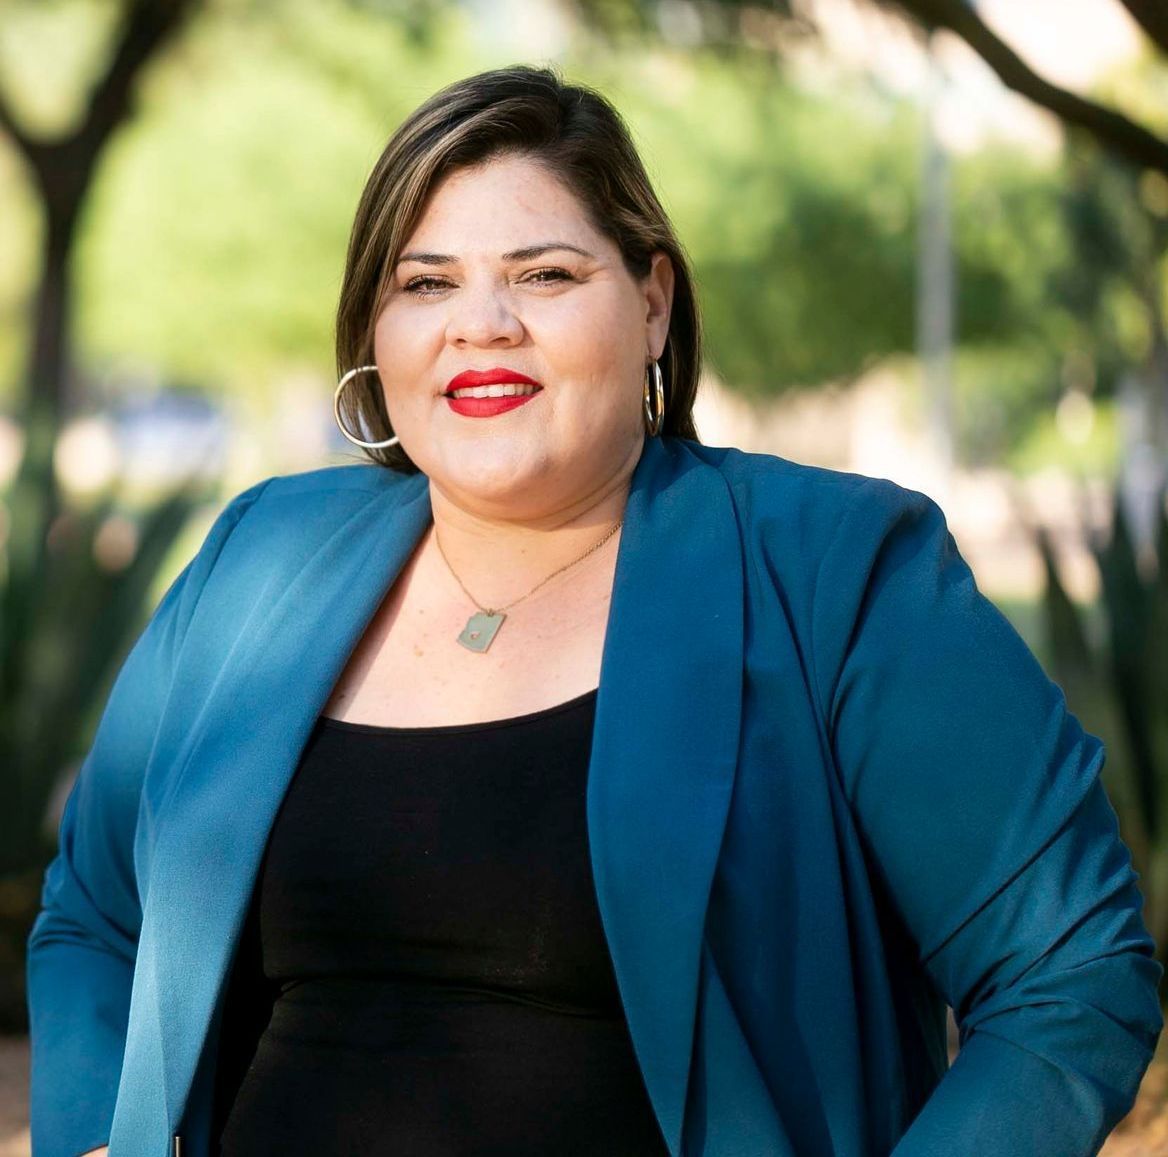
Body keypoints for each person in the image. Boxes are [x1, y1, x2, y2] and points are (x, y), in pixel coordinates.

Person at [27, 64, 1163, 1157]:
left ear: (653, 302)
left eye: (545, 275)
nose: (481, 324)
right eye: (425, 283)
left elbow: (1071, 969)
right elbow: (95, 912)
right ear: (375, 331)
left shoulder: (836, 569)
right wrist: (91, 1134)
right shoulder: (257, 557)